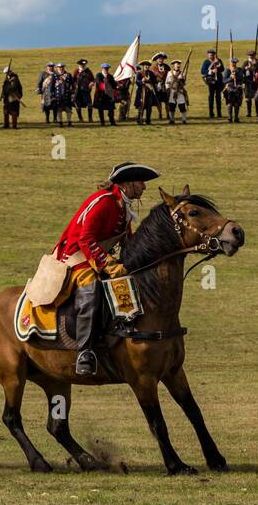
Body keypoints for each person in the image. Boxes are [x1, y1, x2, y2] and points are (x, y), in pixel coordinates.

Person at [53, 162, 161, 375]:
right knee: (91, 288)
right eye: (141, 182)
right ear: (128, 183)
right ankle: (85, 352)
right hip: (77, 257)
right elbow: (86, 239)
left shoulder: (123, 205)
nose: (144, 187)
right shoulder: (104, 202)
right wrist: (109, 265)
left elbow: (126, 240)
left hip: (95, 256)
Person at [201, 48, 225, 118]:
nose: (212, 56)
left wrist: (218, 65)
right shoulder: (206, 62)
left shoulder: (218, 60)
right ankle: (211, 113)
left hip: (219, 81)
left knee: (218, 97)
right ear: (208, 55)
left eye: (213, 55)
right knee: (211, 97)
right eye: (210, 55)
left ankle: (219, 113)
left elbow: (222, 69)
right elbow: (203, 71)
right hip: (211, 81)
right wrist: (211, 71)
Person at [165, 59, 188, 124]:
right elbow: (167, 82)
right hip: (172, 91)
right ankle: (172, 120)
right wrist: (168, 90)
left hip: (180, 91)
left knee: (182, 106)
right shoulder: (169, 73)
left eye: (178, 64)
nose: (178, 65)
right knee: (172, 106)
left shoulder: (182, 73)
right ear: (173, 65)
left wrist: (182, 79)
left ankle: (184, 120)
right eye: (176, 64)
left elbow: (184, 84)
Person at [222, 56, 243, 123]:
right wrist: (230, 78)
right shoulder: (227, 70)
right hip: (229, 88)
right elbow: (224, 81)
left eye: (234, 62)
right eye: (232, 62)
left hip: (237, 88)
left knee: (237, 104)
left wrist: (236, 74)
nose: (233, 64)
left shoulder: (239, 70)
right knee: (229, 103)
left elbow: (242, 79)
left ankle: (236, 117)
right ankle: (230, 118)